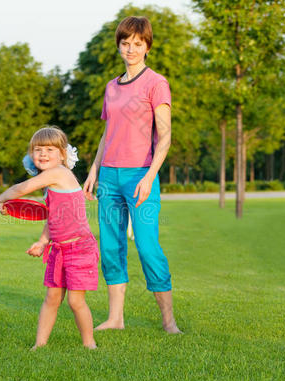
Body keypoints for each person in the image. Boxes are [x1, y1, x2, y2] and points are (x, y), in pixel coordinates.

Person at [83, 16, 181, 334]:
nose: (131, 49)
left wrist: (150, 175)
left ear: (147, 47)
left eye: (138, 44)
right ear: (118, 46)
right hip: (109, 177)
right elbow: (107, 133)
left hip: (140, 175)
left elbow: (164, 136)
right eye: (125, 43)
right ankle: (115, 319)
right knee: (111, 247)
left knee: (148, 246)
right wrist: (93, 171)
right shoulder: (111, 87)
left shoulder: (156, 83)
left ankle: (169, 321)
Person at [0, 127, 99, 349]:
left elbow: (23, 188)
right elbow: (53, 217)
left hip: (79, 248)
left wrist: (3, 198)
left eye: (50, 149)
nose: (43, 154)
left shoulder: (58, 173)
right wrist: (43, 242)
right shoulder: (49, 182)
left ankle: (89, 344)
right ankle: (40, 345)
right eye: (38, 149)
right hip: (59, 249)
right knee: (51, 299)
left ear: (63, 154)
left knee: (75, 301)